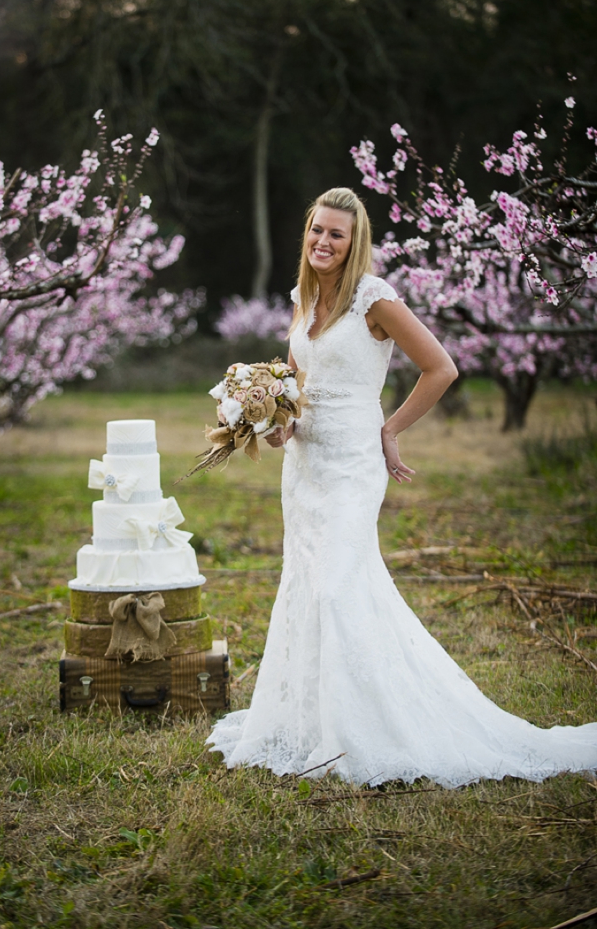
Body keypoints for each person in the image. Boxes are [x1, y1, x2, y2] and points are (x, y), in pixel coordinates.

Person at [206, 187, 597, 787]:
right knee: (309, 588)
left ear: (354, 240)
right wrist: (277, 422)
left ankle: (373, 729)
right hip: (305, 467)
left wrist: (390, 428)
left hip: (353, 465)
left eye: (337, 233)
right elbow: (302, 382)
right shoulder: (303, 299)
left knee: (337, 588)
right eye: (317, 230)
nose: (323, 242)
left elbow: (442, 368)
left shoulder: (375, 300)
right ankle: (317, 723)